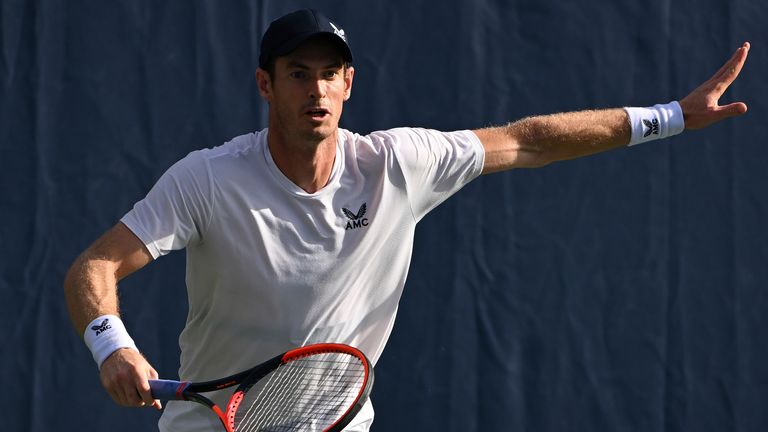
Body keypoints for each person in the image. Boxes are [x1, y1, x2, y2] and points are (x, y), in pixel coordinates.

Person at [64, 8, 750, 432]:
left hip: (335, 424)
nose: (318, 90)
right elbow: (93, 267)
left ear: (350, 84)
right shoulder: (207, 180)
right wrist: (111, 345)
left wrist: (671, 117)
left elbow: (531, 137)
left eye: (332, 74)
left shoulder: (397, 164)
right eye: (299, 73)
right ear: (265, 84)